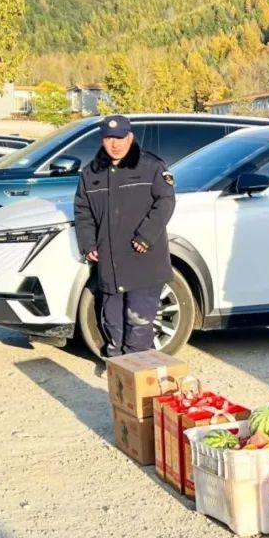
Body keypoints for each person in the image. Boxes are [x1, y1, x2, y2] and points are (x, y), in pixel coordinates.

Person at [74, 114, 176, 358]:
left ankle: (137, 369)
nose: (115, 144)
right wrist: (88, 244)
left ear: (130, 137)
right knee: (112, 323)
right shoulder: (90, 173)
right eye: (109, 138)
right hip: (110, 263)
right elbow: (83, 211)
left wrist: (145, 236)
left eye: (120, 138)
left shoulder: (151, 166)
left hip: (144, 260)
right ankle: (119, 369)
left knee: (138, 324)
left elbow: (165, 202)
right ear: (102, 140)